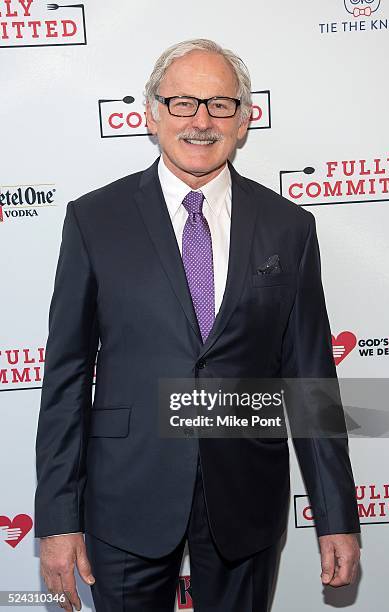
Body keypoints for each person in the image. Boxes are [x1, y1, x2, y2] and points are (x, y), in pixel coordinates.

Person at [35, 38, 361, 612]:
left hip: (245, 494)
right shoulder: (93, 219)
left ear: (244, 121)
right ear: (152, 113)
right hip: (125, 493)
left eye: (221, 105)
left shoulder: (289, 227)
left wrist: (336, 516)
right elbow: (64, 379)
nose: (202, 121)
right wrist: (57, 518)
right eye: (183, 103)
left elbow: (311, 381)